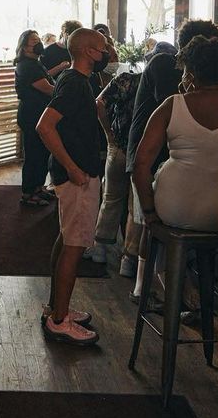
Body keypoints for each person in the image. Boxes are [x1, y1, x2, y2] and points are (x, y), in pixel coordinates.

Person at [125, 19, 218, 300]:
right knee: (148, 221)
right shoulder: (164, 65)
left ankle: (165, 285)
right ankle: (146, 285)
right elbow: (179, 103)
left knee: (153, 222)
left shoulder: (192, 77)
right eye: (211, 44)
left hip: (170, 158)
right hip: (149, 155)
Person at [36, 28, 111, 345]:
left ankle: (58, 307)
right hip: (77, 175)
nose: (107, 52)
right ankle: (59, 320)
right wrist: (72, 167)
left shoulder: (76, 80)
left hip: (79, 171)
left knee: (67, 239)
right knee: (74, 245)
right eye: (103, 47)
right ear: (89, 52)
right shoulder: (74, 83)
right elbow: (45, 126)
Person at [133, 36, 218, 233]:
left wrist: (149, 213)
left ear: (190, 73)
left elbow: (140, 164)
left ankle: (149, 251)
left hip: (173, 206)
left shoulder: (171, 105)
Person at [88, 67, 143, 276]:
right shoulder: (165, 85)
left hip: (118, 145)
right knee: (135, 207)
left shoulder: (126, 80)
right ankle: (129, 259)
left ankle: (99, 248)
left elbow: (99, 103)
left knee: (111, 198)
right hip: (143, 151)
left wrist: (108, 133)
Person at [13, 30, 55, 206]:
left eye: (39, 40)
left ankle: (38, 187)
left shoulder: (36, 63)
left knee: (42, 153)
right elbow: (47, 88)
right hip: (31, 114)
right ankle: (28, 192)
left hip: (39, 113)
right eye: (34, 41)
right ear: (24, 47)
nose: (38, 44)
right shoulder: (26, 66)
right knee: (33, 154)